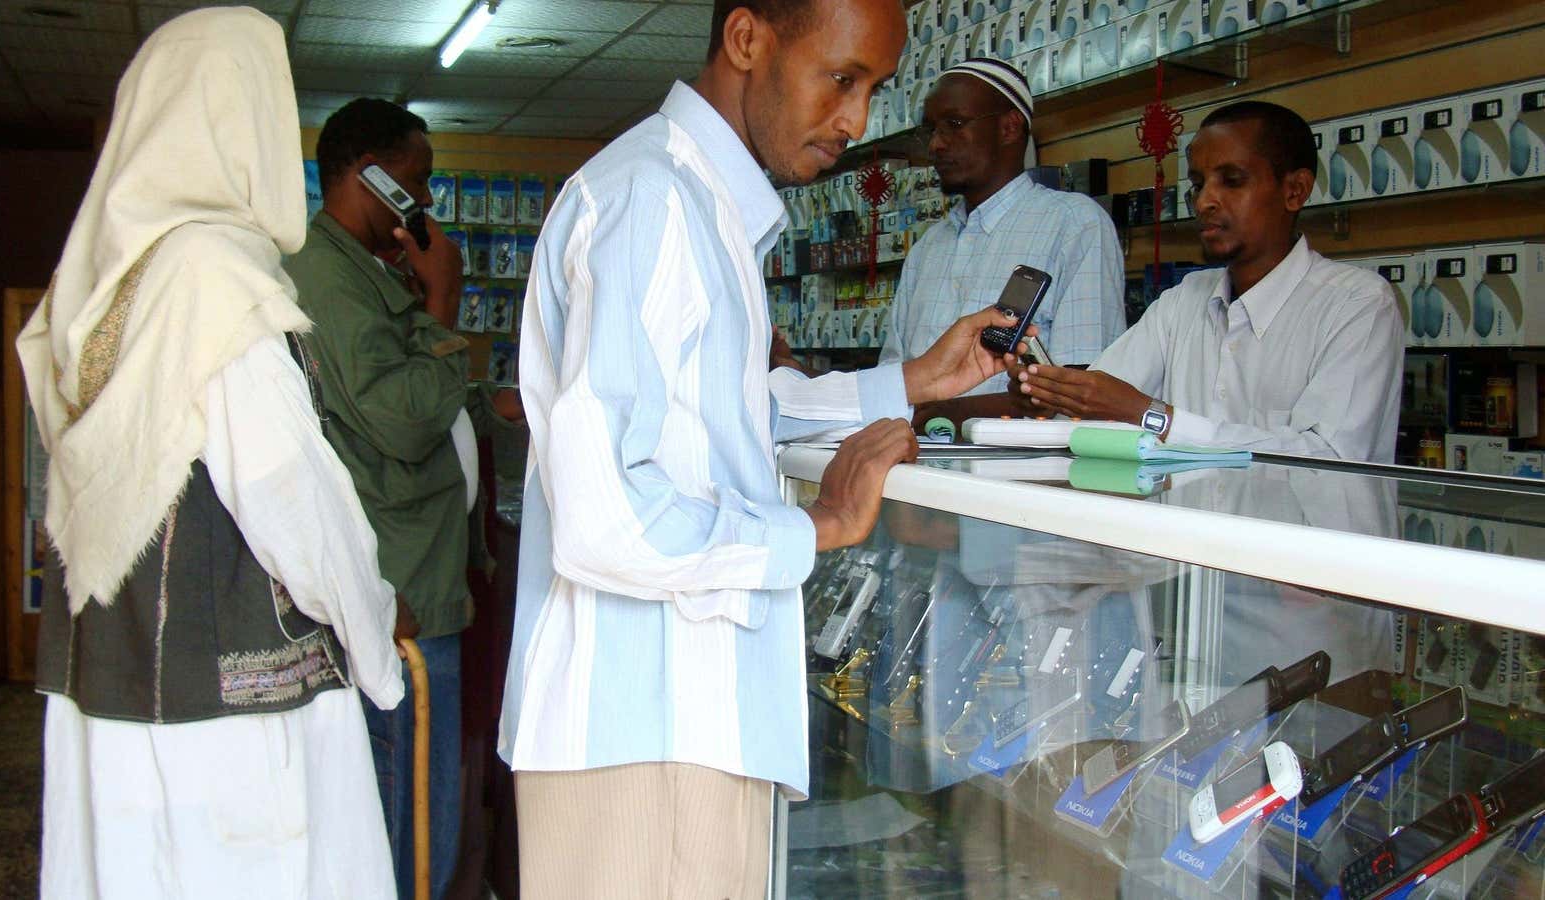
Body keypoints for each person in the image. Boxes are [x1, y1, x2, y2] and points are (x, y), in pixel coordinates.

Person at [498, 0, 1032, 894]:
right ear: (747, 41)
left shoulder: (697, 207)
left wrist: (910, 382)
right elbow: (606, 516)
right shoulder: (654, 203)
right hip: (648, 730)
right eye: (841, 78)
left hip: (675, 723)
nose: (859, 120)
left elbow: (724, 415)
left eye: (875, 88)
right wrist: (815, 528)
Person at [16, 9, 402, 898]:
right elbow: (290, 500)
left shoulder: (103, 278)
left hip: (112, 685)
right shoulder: (213, 278)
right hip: (231, 721)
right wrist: (375, 641)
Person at [284, 98, 473, 900]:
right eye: (416, 180)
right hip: (403, 593)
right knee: (415, 826)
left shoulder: (356, 270)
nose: (426, 201)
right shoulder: (329, 278)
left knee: (413, 811)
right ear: (368, 176)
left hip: (412, 577)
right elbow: (399, 420)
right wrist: (441, 302)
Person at [1017, 100, 1403, 463]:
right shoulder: (1182, 301)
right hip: (1182, 534)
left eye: (1232, 181)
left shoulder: (1358, 305)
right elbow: (1098, 402)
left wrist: (1152, 417)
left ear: (1294, 191)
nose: (1205, 202)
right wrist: (1052, 393)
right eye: (1199, 184)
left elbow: (1329, 459)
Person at [882, 57, 1126, 430]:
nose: (936, 144)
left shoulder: (1074, 224)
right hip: (915, 478)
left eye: (954, 124)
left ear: (1010, 127)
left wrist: (947, 413)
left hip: (1021, 482)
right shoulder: (927, 248)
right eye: (930, 129)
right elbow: (892, 383)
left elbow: (1082, 390)